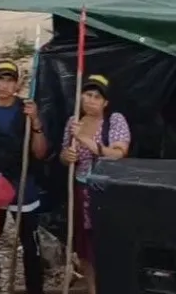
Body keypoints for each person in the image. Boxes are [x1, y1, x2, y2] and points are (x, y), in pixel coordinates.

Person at [0, 61, 48, 294]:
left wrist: (35, 122)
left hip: (23, 184)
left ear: (17, 84)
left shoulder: (27, 109)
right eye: (0, 79)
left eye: (10, 80)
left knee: (31, 246)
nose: (4, 85)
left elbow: (40, 153)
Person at [60, 74, 131, 294]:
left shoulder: (114, 120)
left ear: (105, 102)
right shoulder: (73, 121)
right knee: (85, 247)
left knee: (108, 243)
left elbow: (119, 154)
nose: (90, 100)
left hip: (108, 193)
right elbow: (64, 154)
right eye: (87, 94)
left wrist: (84, 139)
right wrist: (67, 156)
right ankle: (92, 289)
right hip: (82, 190)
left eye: (97, 97)